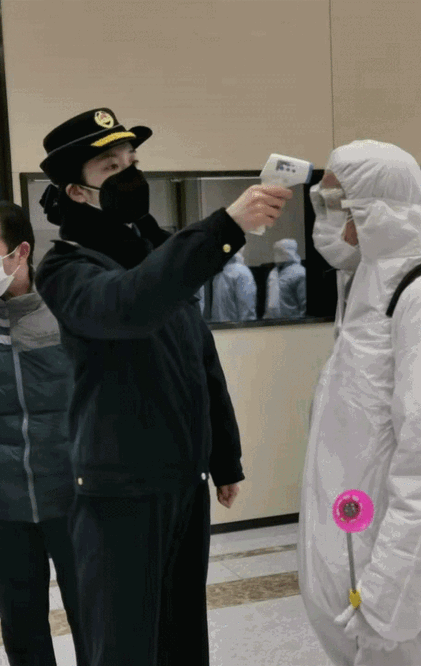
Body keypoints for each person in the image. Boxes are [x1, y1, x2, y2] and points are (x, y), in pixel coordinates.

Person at [34, 107, 292, 666]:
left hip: (183, 479)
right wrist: (224, 227)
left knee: (181, 634)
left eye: (132, 162)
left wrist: (224, 457)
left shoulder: (154, 254)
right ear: (76, 192)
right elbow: (129, 306)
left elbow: (200, 361)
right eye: (111, 167)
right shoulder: (67, 269)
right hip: (119, 489)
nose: (129, 176)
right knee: (124, 642)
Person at [298, 139, 421, 666]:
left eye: (338, 204)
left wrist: (388, 604)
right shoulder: (367, 296)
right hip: (365, 593)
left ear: (377, 210)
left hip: (418, 613)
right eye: (321, 204)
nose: (328, 221)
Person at [0, 201, 88, 665]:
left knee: (94, 618)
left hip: (73, 496)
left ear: (20, 251)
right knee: (21, 627)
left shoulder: (68, 308)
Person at [264, 238, 306, 319]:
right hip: (271, 322)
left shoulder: (300, 273)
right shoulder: (273, 273)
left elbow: (304, 304)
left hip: (292, 323)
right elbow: (269, 302)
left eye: (280, 252)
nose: (277, 255)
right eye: (275, 252)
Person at [211, 248, 257, 321]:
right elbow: (247, 314)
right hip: (236, 327)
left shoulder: (219, 273)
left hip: (219, 327)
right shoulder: (243, 273)